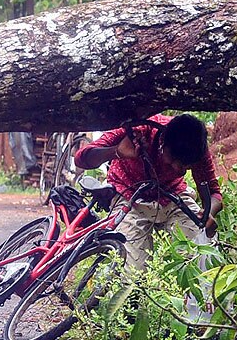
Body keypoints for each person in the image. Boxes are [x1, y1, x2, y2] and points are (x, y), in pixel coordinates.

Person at [73, 114, 224, 270]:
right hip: (128, 196)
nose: (179, 170)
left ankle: (201, 293)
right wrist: (116, 151)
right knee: (132, 270)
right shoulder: (140, 130)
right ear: (163, 142)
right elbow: (81, 159)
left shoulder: (197, 149)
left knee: (201, 252)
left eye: (186, 168)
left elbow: (214, 193)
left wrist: (209, 212)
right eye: (173, 162)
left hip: (171, 195)